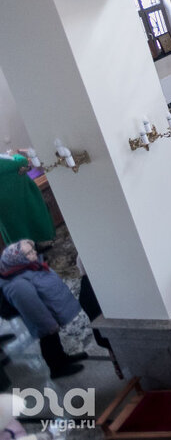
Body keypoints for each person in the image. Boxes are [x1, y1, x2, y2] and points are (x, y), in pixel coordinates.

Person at [0, 240, 86, 377]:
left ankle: (62, 358)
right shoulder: (17, 285)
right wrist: (48, 324)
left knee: (53, 339)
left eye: (32, 249)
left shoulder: (26, 267)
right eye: (29, 253)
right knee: (48, 341)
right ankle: (57, 369)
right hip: (43, 319)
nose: (34, 252)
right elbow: (32, 308)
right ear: (18, 259)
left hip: (48, 314)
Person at [0, 150, 55, 247]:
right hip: (21, 196)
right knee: (34, 215)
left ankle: (24, 252)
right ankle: (43, 240)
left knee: (15, 227)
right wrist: (14, 154)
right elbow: (22, 161)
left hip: (5, 206)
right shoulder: (5, 162)